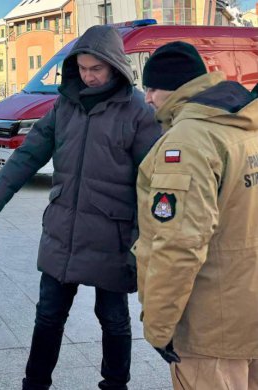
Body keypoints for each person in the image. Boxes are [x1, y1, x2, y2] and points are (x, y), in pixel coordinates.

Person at [0, 25, 162, 390]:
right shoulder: (64, 104)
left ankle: (115, 385)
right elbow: (28, 154)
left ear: (115, 66)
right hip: (63, 229)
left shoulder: (137, 110)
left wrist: (141, 242)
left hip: (112, 233)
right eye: (83, 68)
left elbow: (151, 183)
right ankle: (35, 383)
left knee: (113, 317)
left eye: (96, 69)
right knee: (49, 315)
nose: (88, 76)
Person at [134, 41, 258, 389]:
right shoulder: (244, 124)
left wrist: (159, 327)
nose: (147, 98)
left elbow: (179, 244)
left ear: (174, 88)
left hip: (211, 324)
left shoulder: (187, 142)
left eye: (152, 88)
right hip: (248, 307)